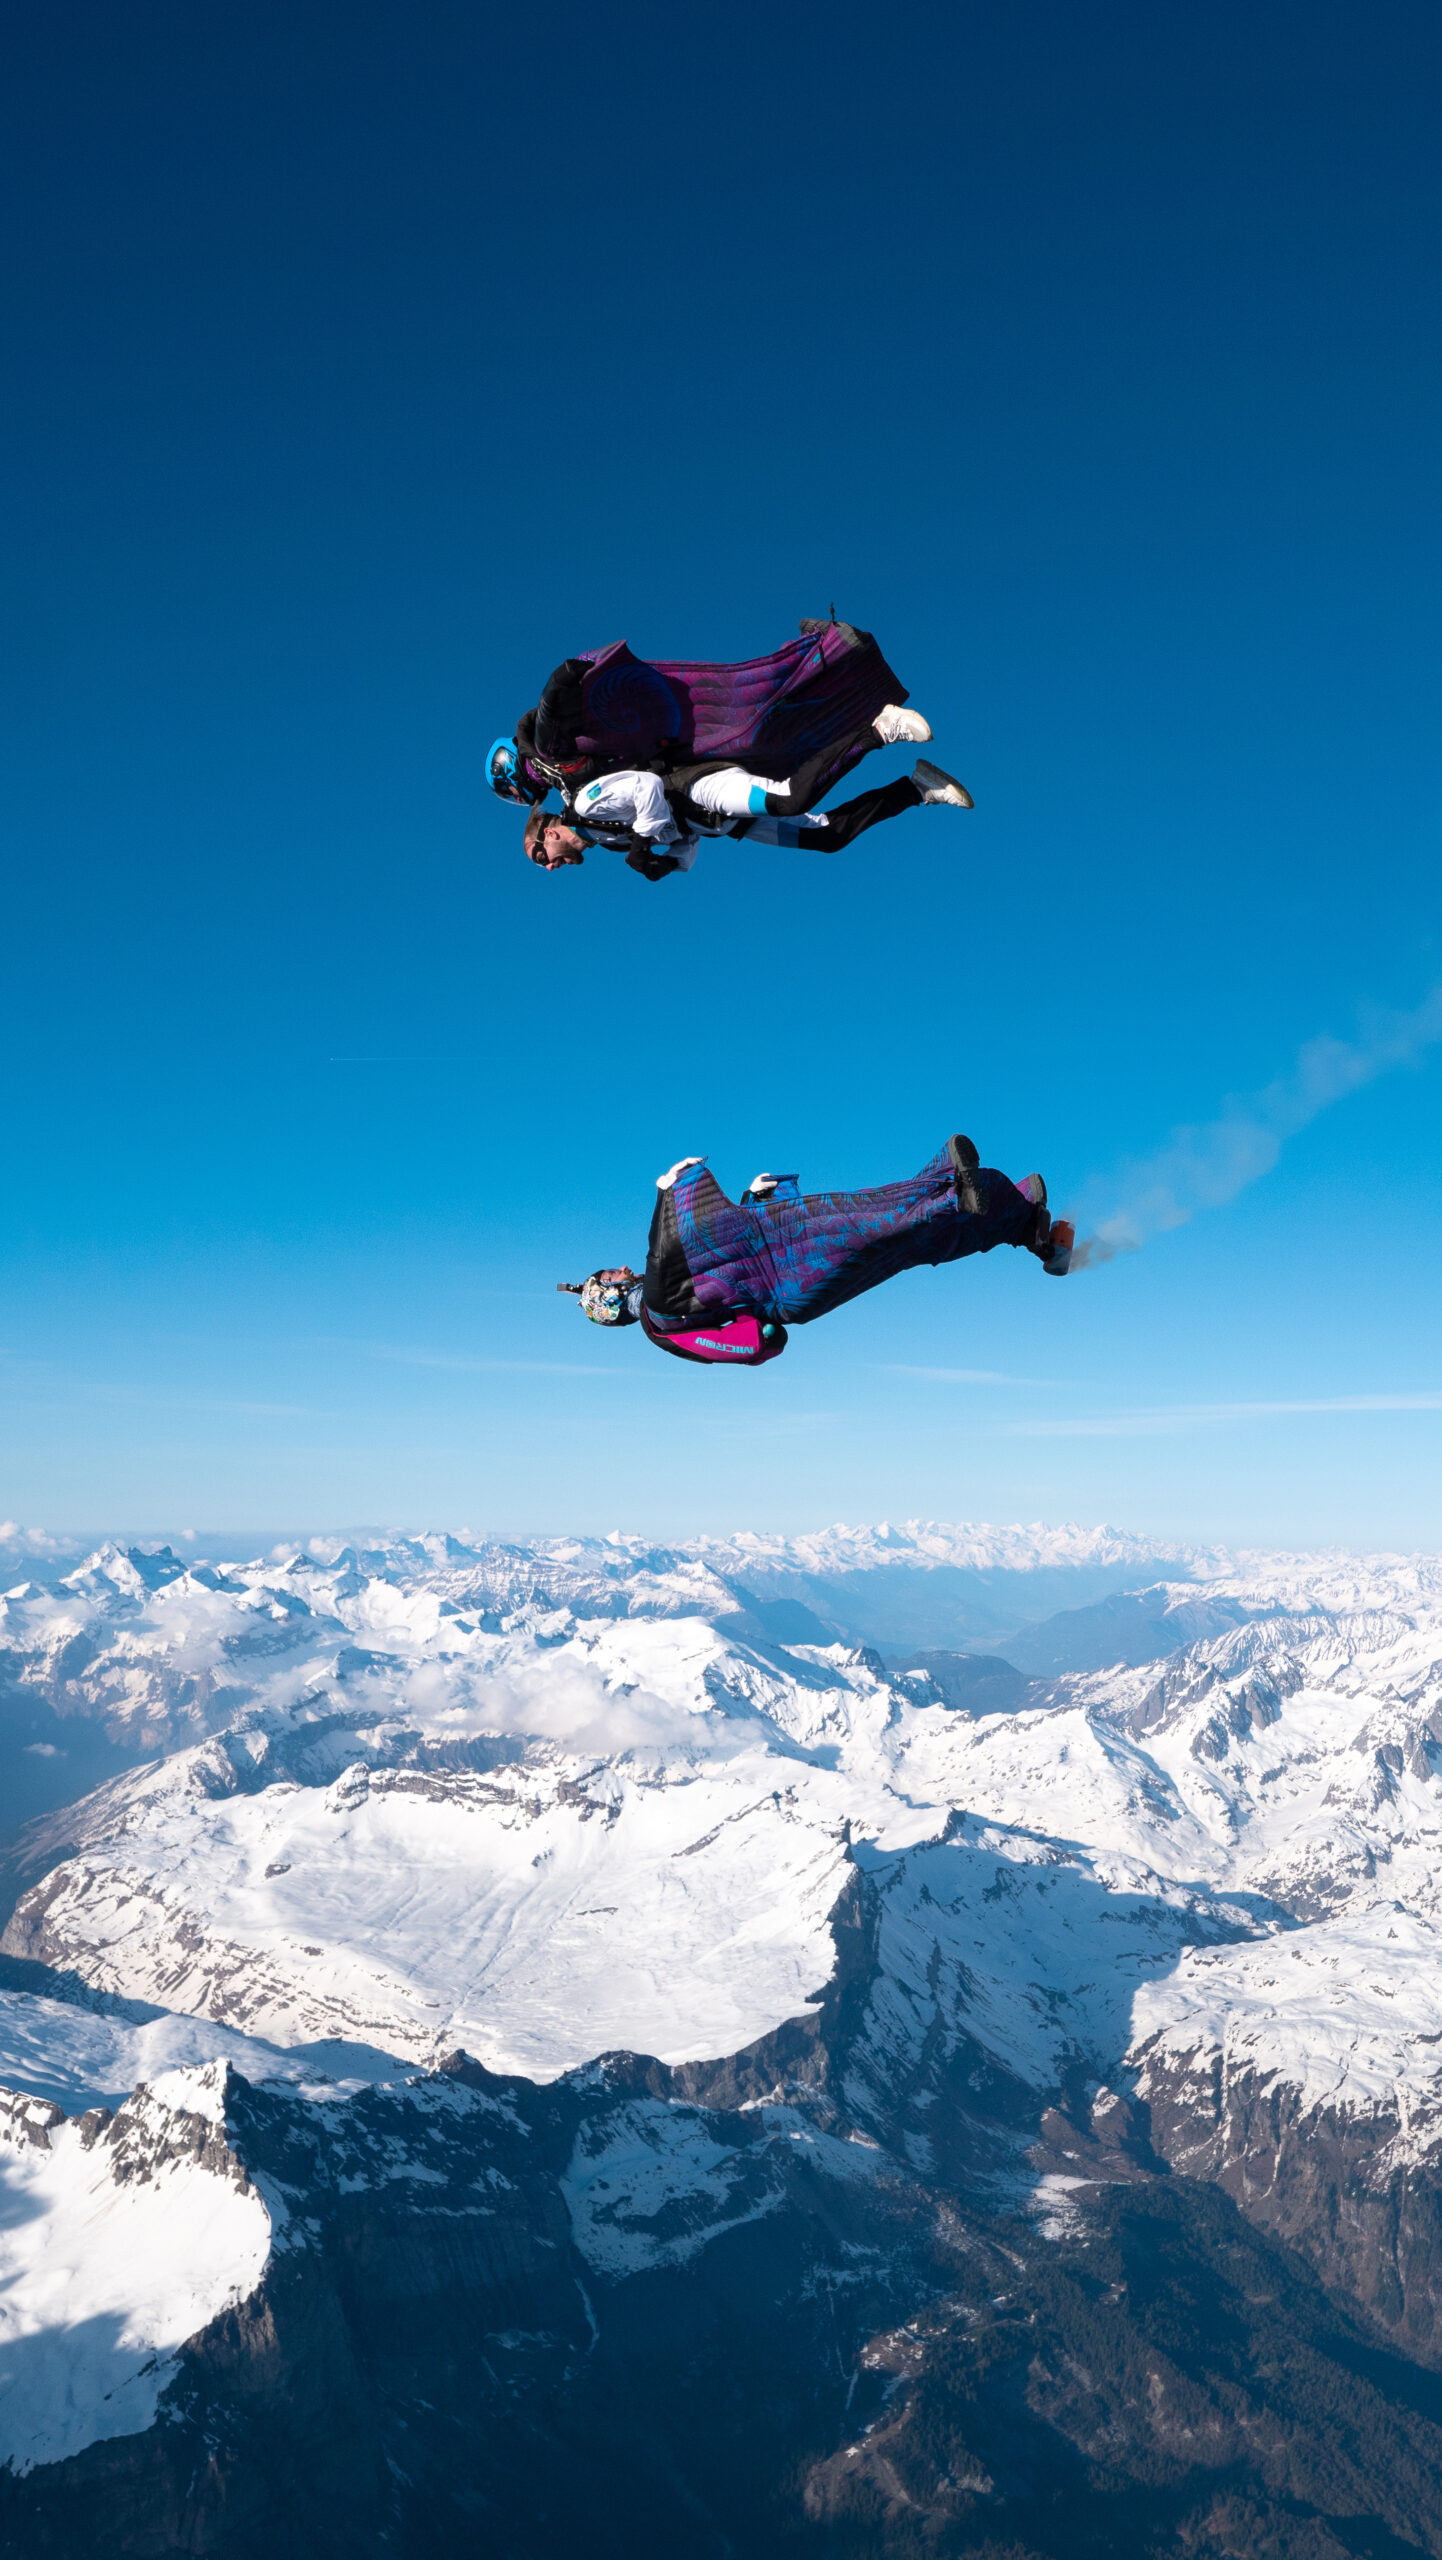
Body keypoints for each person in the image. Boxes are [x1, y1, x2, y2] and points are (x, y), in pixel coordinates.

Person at [557, 1139, 1074, 1367]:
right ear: (610, 1296)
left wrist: (756, 1200)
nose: (620, 1268)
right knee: (871, 1227)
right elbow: (668, 1259)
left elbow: (725, 1259)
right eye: (610, 1275)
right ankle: (954, 1192)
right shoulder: (661, 1313)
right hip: (791, 1285)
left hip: (783, 1269)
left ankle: (1020, 1224)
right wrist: (667, 1194)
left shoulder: (672, 1296)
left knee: (893, 1237)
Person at [521, 709, 973, 879]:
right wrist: (669, 864)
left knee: (790, 798)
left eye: (541, 856)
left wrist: (641, 845)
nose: (550, 866)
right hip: (719, 823)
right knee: (827, 837)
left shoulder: (583, 805)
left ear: (548, 831)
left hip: (701, 789)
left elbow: (647, 787)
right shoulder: (605, 840)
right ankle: (918, 787)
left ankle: (880, 729)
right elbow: (681, 837)